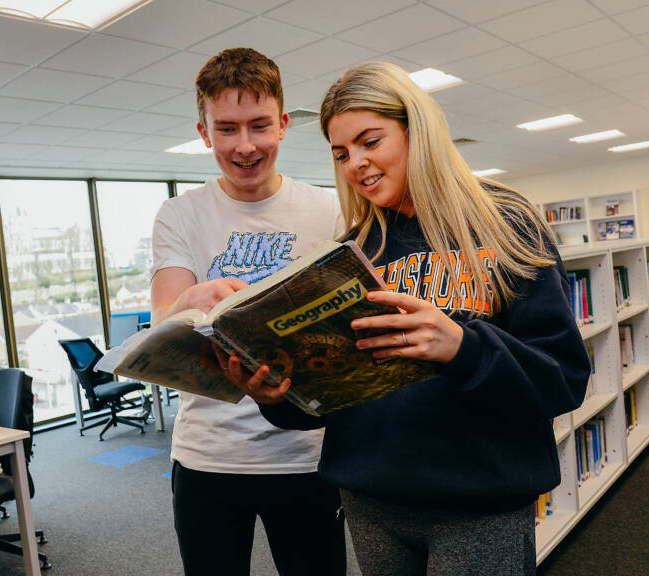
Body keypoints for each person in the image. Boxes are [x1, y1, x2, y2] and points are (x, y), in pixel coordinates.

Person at [240, 61, 592, 576]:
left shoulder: (506, 220)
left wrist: (462, 348)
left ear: (415, 130)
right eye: (342, 153)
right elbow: (333, 397)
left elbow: (563, 379)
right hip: (370, 500)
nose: (356, 163)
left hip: (478, 504)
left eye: (370, 141)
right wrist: (277, 396)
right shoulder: (350, 254)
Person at [150, 48, 347, 576]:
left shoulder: (329, 208)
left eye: (259, 125)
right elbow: (159, 326)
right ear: (203, 132)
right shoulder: (179, 214)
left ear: (283, 124)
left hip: (306, 456)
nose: (245, 146)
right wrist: (185, 304)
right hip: (207, 457)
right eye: (227, 128)